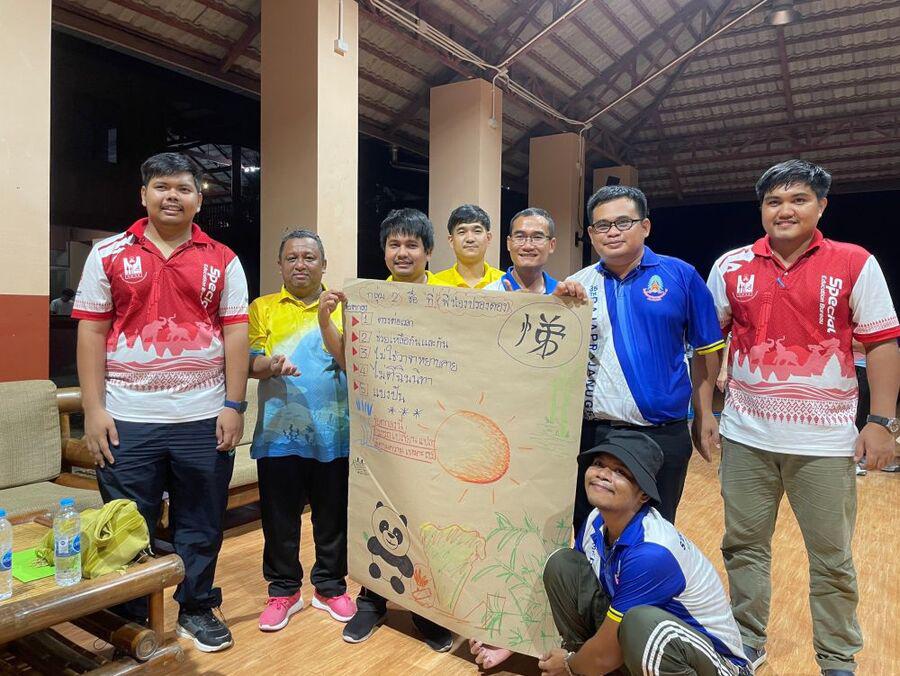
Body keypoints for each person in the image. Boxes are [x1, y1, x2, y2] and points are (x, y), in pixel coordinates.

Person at [706, 159, 900, 675]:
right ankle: (746, 642)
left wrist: (881, 422)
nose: (785, 210)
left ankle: (837, 658)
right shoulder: (730, 266)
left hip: (825, 444)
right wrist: (706, 411)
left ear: (821, 206)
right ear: (761, 209)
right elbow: (709, 343)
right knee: (743, 548)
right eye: (773, 201)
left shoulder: (854, 262)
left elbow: (882, 343)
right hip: (746, 436)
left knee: (832, 558)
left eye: (798, 199)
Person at [72, 152, 249, 652]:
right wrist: (93, 409)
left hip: (203, 418)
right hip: (127, 419)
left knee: (201, 522)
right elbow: (91, 333)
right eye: (161, 187)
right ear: (144, 195)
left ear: (199, 199)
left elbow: (236, 335)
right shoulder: (108, 253)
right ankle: (131, 617)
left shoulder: (223, 259)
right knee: (128, 524)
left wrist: (234, 405)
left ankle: (196, 607)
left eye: (184, 188)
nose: (172, 196)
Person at [319, 209, 455, 652]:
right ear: (384, 252)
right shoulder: (368, 299)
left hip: (432, 434)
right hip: (379, 432)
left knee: (426, 516)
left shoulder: (450, 300)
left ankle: (425, 610)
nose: (402, 252)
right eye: (394, 245)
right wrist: (325, 319)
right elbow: (348, 361)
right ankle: (371, 600)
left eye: (412, 245)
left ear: (428, 252)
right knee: (374, 509)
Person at [567, 185, 725, 529]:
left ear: (645, 226)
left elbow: (706, 350)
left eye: (623, 222)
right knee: (590, 529)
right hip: (595, 435)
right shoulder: (577, 286)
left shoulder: (680, 275)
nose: (612, 232)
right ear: (591, 234)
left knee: (655, 531)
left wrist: (703, 413)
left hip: (662, 434)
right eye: (602, 225)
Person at [538, 430, 751, 676]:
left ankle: (582, 668)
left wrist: (568, 665)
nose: (603, 474)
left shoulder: (652, 552)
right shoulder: (596, 520)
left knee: (641, 625)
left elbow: (610, 652)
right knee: (563, 566)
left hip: (719, 665)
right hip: (647, 647)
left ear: (644, 494)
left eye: (620, 472)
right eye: (598, 463)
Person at [248, 229, 355, 633]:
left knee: (332, 517)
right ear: (279, 265)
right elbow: (249, 362)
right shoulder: (262, 308)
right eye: (291, 258)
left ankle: (330, 587)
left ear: (324, 265)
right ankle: (284, 590)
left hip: (334, 434)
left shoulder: (343, 307)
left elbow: (351, 362)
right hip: (278, 434)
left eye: (309, 258)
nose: (300, 265)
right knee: (279, 519)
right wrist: (270, 365)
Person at [485, 208, 559, 295]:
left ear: (551, 245)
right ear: (509, 243)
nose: (528, 246)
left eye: (537, 237)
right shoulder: (488, 294)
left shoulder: (562, 295)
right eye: (520, 237)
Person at [433, 203, 504, 288]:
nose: (470, 239)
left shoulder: (504, 283)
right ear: (451, 241)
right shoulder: (435, 284)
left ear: (488, 238)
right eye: (462, 232)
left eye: (477, 231)